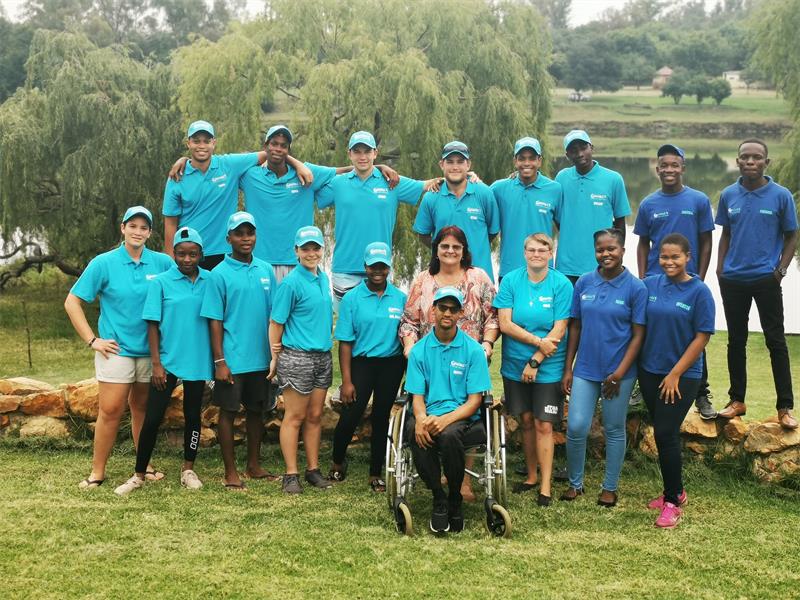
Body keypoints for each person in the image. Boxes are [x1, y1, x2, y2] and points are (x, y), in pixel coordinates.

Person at [64, 206, 173, 488]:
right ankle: (97, 472)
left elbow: (181, 294)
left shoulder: (162, 263)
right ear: (123, 228)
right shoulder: (104, 263)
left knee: (142, 410)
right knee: (111, 410)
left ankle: (145, 466)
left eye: (143, 227)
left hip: (151, 352)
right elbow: (72, 302)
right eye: (132, 226)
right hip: (116, 351)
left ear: (150, 232)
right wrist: (93, 340)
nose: (138, 231)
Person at [399, 225, 499, 501]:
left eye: (456, 246)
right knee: (428, 410)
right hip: (429, 358)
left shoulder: (478, 278)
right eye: (445, 246)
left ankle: (463, 480)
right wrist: (410, 347)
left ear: (464, 251)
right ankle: (438, 477)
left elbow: (493, 316)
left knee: (465, 408)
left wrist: (487, 344)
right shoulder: (423, 281)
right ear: (436, 250)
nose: (450, 251)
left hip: (470, 356)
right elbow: (408, 321)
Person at [114, 227, 212, 496]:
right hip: (167, 362)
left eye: (193, 254)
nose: (187, 259)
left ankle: (188, 469)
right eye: (181, 254)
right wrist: (156, 364)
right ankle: (139, 474)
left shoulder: (210, 281)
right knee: (152, 418)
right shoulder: (160, 282)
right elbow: (152, 325)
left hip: (197, 361)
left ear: (201, 254)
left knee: (193, 416)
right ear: (174, 254)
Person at [715, 139, 798, 429]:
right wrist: (720, 268)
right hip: (733, 279)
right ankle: (736, 400)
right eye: (745, 157)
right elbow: (726, 234)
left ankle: (785, 407)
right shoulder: (728, 195)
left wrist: (781, 270)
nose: (751, 162)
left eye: (757, 157)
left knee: (776, 341)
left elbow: (792, 235)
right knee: (736, 341)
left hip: (766, 279)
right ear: (738, 161)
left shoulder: (781, 195)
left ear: (766, 162)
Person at [561, 228, 646, 507]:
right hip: (586, 369)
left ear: (622, 251)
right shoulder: (584, 282)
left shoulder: (635, 288)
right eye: (600, 249)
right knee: (576, 426)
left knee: (613, 427)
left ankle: (609, 487)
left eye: (611, 249)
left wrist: (619, 374)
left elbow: (638, 335)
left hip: (619, 373)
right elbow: (575, 326)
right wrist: (568, 368)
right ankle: (575, 484)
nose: (605, 254)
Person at [162, 120, 313, 270]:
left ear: (214, 143)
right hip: (189, 254)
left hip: (224, 253)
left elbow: (272, 153)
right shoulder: (177, 176)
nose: (201, 146)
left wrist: (297, 164)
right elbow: (170, 223)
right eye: (196, 141)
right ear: (188, 143)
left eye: (206, 141)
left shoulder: (229, 165)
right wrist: (170, 262)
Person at [635, 143, 716, 420]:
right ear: (657, 169)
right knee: (648, 331)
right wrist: (643, 277)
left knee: (694, 333)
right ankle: (643, 383)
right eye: (664, 165)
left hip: (688, 280)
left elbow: (706, 241)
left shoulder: (699, 200)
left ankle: (701, 392)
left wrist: (700, 276)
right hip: (655, 280)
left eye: (674, 165)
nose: (669, 169)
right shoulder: (648, 204)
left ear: (683, 168)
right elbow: (642, 243)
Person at [640, 233, 715, 528]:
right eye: (664, 256)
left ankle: (672, 502)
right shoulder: (649, 285)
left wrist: (675, 374)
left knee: (666, 432)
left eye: (675, 257)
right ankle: (676, 490)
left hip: (682, 376)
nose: (669, 261)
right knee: (662, 431)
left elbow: (702, 337)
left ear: (688, 257)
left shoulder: (699, 292)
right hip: (650, 371)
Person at [405, 286, 492, 534]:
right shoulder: (419, 351)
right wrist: (421, 419)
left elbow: (474, 401)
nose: (447, 313)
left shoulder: (473, 350)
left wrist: (444, 421)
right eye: (442, 307)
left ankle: (455, 496)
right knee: (415, 431)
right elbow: (416, 397)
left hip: (461, 414)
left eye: (453, 309)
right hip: (428, 411)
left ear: (460, 313)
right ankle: (439, 497)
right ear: (433, 310)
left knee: (449, 434)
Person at [493, 233, 572, 506]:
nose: (536, 254)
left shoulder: (561, 284)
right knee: (525, 420)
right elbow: (505, 324)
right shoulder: (510, 281)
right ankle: (530, 476)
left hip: (548, 367)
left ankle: (546, 486)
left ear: (551, 253)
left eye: (542, 250)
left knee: (543, 423)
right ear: (524, 253)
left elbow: (560, 328)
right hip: (514, 365)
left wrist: (536, 359)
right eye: (532, 250)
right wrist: (538, 342)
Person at [200, 212, 277, 490]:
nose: (245, 238)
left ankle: (253, 466)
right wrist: (220, 361)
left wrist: (275, 356)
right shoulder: (218, 274)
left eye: (250, 233)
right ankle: (230, 472)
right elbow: (214, 320)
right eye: (239, 233)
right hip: (232, 359)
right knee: (228, 413)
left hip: (261, 359)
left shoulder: (266, 270)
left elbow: (274, 316)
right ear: (228, 238)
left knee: (257, 411)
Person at [317, 130, 436, 303]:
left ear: (375, 153)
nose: (362, 156)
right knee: (346, 320)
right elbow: (308, 181)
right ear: (349, 154)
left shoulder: (392, 182)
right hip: (345, 269)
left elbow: (429, 185)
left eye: (367, 151)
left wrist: (466, 176)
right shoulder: (338, 183)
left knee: (377, 320)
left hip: (380, 268)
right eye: (357, 152)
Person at [328, 242, 407, 492]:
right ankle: (337, 462)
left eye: (382, 266)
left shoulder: (400, 298)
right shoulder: (352, 298)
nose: (378, 271)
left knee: (381, 417)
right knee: (351, 414)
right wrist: (346, 381)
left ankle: (375, 473)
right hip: (362, 363)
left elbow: (407, 335)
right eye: (373, 266)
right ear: (365, 267)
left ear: (389, 267)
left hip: (391, 365)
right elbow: (345, 342)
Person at [269, 226, 334, 494]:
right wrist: (274, 357)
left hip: (322, 357)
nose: (311, 253)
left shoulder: (323, 278)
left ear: (322, 250)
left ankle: (313, 470)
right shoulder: (291, 283)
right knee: (295, 416)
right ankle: (291, 474)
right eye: (305, 248)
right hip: (297, 357)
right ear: (296, 251)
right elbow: (276, 322)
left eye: (315, 248)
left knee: (315, 416)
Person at [414, 141, 499, 281]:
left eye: (460, 162)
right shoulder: (431, 197)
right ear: (442, 164)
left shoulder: (485, 193)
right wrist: (445, 250)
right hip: (444, 279)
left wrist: (474, 245)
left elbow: (493, 231)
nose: (455, 167)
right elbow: (423, 234)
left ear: (468, 165)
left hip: (480, 278)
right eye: (450, 162)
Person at [555, 129, 631, 284]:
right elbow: (557, 218)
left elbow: (620, 223)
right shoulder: (561, 178)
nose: (580, 154)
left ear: (592, 148)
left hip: (602, 265)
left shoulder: (613, 179)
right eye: (573, 150)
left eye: (584, 148)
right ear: (567, 155)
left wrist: (617, 258)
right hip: (566, 266)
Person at [491, 137, 562, 280]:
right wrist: (470, 178)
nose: (527, 163)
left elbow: (563, 228)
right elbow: (476, 196)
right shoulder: (499, 188)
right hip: (509, 272)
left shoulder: (554, 189)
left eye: (532, 158)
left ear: (539, 161)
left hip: (544, 271)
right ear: (515, 161)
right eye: (522, 158)